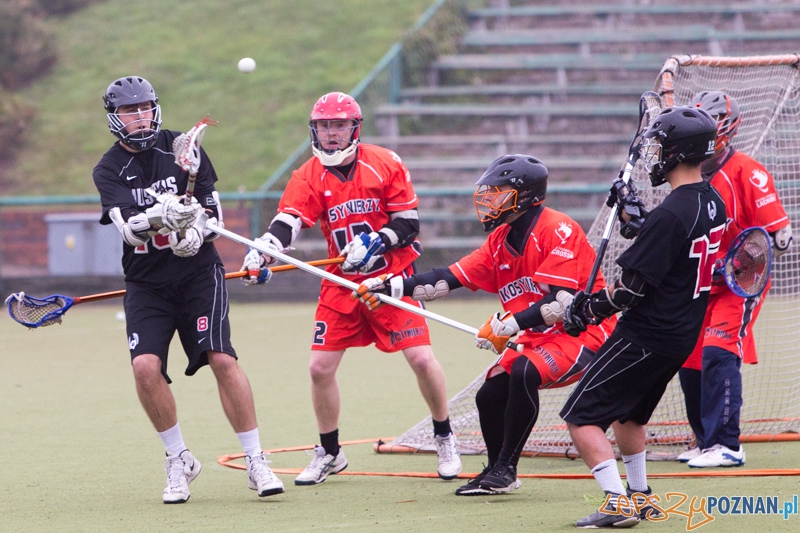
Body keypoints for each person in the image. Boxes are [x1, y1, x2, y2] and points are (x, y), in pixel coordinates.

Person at [352, 154, 617, 496]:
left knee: (523, 371)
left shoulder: (557, 229)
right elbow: (446, 279)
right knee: (489, 394)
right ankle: (496, 470)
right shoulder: (499, 241)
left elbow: (562, 305)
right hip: (539, 338)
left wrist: (511, 323)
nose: (490, 199)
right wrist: (390, 286)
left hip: (583, 334)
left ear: (525, 195)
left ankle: (506, 467)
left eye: (500, 191)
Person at [240, 91, 461, 484]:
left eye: (339, 125)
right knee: (319, 368)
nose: (331, 133)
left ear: (354, 127)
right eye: (324, 125)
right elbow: (289, 220)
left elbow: (408, 222)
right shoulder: (308, 174)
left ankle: (444, 435)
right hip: (342, 284)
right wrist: (266, 250)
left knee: (422, 360)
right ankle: (329, 450)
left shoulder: (385, 162)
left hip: (390, 281)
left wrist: (379, 240)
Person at [93, 76, 284, 503]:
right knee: (144, 367)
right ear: (114, 118)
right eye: (129, 110)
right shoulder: (108, 169)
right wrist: (165, 216)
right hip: (146, 283)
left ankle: (256, 460)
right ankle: (179, 458)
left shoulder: (183, 146)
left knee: (221, 357)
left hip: (199, 276)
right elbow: (130, 231)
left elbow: (213, 210)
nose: (139, 117)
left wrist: (197, 231)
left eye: (145, 108)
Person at [560, 105, 726, 528]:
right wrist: (638, 219)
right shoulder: (712, 202)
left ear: (676, 152)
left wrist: (588, 309)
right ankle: (641, 494)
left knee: (581, 418)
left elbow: (632, 290)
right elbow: (673, 244)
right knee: (629, 414)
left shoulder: (671, 214)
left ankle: (617, 503)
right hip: (680, 335)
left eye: (661, 148)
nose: (656, 157)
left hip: (645, 335)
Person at [677, 91, 793, 468]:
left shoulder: (748, 171)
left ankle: (728, 444)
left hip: (741, 283)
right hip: (702, 284)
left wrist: (737, 262)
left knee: (718, 353)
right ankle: (704, 440)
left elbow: (778, 236)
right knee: (689, 359)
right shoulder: (687, 175)